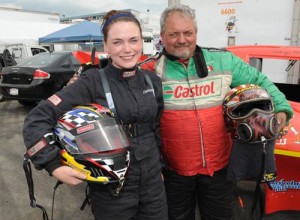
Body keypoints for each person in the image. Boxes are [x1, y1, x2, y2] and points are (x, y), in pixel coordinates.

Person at [139, 4, 293, 220]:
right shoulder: (149, 70)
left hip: (218, 169)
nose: (182, 39)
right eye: (174, 34)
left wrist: (282, 110)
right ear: (162, 36)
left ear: (196, 34)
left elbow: (260, 81)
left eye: (188, 33)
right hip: (174, 172)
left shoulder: (223, 60)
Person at [22, 10, 168, 220]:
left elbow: (156, 129)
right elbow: (37, 119)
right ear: (106, 46)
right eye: (118, 42)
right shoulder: (91, 82)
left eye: (133, 40)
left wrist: (159, 168)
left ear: (141, 42)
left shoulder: (151, 81)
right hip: (111, 191)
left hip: (153, 185)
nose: (127, 49)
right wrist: (53, 165)